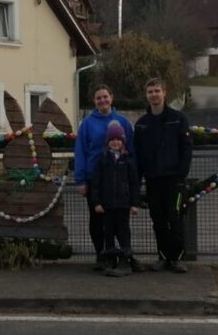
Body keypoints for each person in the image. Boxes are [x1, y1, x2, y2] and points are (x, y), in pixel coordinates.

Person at [134, 77, 193, 273]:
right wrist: (138, 181)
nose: (154, 94)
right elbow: (138, 155)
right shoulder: (142, 124)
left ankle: (177, 258)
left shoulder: (178, 119)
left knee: (175, 219)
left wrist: (181, 175)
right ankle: (163, 257)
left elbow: (186, 149)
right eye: (150, 91)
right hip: (153, 181)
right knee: (158, 221)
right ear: (146, 95)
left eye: (157, 91)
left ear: (164, 93)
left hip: (174, 181)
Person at [74, 84, 135, 269]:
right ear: (94, 101)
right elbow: (81, 151)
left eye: (105, 96)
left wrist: (133, 178)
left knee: (119, 222)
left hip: (119, 180)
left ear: (111, 97)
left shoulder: (123, 122)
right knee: (97, 220)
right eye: (98, 98)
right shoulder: (87, 124)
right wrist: (80, 179)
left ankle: (123, 256)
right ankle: (102, 255)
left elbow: (131, 151)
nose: (102, 100)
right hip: (95, 180)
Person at [90, 120, 140, 277]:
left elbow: (134, 184)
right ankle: (110, 260)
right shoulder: (102, 160)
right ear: (108, 142)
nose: (115, 142)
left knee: (124, 233)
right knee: (108, 233)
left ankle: (125, 261)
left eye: (118, 139)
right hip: (107, 205)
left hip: (123, 205)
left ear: (123, 142)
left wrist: (134, 203)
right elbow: (96, 183)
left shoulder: (128, 160)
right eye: (112, 140)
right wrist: (97, 202)